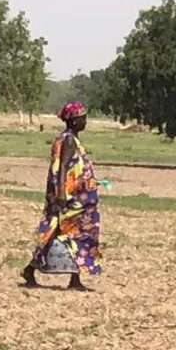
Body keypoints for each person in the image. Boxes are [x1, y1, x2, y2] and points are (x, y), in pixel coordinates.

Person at [22, 101, 102, 291]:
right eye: (82, 118)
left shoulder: (69, 139)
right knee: (75, 236)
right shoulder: (67, 140)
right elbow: (63, 168)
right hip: (71, 200)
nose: (85, 122)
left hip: (76, 199)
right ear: (73, 121)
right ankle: (68, 278)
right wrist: (61, 194)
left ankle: (35, 270)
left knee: (62, 235)